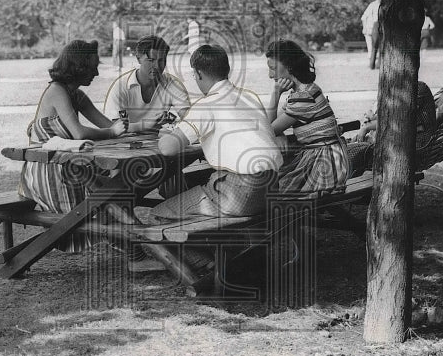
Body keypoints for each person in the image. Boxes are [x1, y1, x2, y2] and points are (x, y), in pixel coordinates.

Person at [137, 44, 282, 232]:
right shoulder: (250, 97)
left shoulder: (207, 104)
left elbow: (167, 148)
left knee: (157, 215)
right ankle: (218, 256)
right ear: (227, 70)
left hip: (239, 192)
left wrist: (168, 133)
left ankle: (204, 262)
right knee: (199, 188)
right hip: (272, 187)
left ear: (197, 74)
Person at [18, 40, 128, 253]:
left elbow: (108, 124)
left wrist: (139, 126)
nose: (96, 73)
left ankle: (121, 237)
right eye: (93, 66)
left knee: (122, 178)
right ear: (79, 67)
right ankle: (123, 239)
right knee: (113, 188)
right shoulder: (57, 91)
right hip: (48, 170)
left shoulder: (75, 93)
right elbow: (80, 133)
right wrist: (112, 133)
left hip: (69, 165)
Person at [264, 40, 349, 193]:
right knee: (278, 180)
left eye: (273, 69)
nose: (270, 75)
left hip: (325, 166)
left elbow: (268, 131)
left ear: (289, 67)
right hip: (329, 158)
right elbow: (274, 127)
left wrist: (275, 95)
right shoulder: (310, 89)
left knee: (274, 188)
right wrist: (279, 134)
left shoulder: (303, 98)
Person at [348, 80, 438, 176]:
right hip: (402, 143)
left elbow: (398, 120)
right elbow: (389, 116)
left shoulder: (417, 88)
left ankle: (346, 183)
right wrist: (370, 119)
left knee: (354, 153)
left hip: (413, 148)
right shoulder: (404, 88)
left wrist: (367, 127)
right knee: (352, 148)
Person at [104, 35, 191, 132]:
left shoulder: (172, 83)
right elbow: (112, 127)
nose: (157, 66)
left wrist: (172, 122)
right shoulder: (121, 87)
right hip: (124, 142)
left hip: (157, 140)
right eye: (151, 60)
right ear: (138, 59)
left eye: (161, 60)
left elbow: (189, 118)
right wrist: (147, 125)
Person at [361, 0, 382, 69]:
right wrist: (365, 28)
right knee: (372, 47)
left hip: (380, 26)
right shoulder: (372, 5)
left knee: (381, 47)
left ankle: (378, 65)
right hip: (372, 29)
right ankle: (371, 65)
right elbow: (363, 17)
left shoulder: (384, 5)